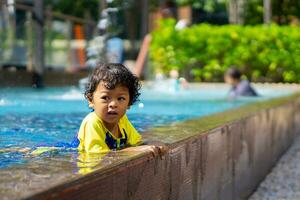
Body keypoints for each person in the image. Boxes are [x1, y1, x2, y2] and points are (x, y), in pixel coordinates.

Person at [77, 63, 142, 153]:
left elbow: (136, 143)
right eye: (105, 98)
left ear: (129, 103)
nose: (113, 104)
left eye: (121, 98)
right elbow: (98, 156)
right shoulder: (92, 122)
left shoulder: (122, 120)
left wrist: (151, 144)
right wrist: (132, 150)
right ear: (91, 100)